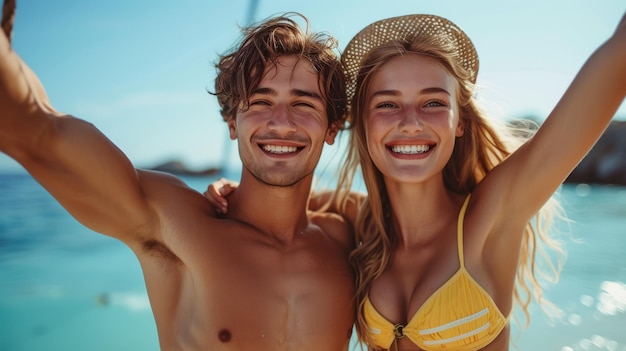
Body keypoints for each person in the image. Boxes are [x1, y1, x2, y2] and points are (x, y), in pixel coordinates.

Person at [207, 13, 626, 351]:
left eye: (432, 103)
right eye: (387, 104)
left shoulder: (491, 215)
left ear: (458, 122)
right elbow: (282, 200)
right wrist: (231, 192)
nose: (410, 123)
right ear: (363, 124)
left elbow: (615, 63)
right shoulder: (362, 228)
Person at [0, 7, 356, 351]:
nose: (280, 122)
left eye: (303, 104)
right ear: (233, 123)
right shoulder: (178, 225)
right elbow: (38, 134)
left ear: (332, 128)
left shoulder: (347, 237)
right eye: (260, 101)